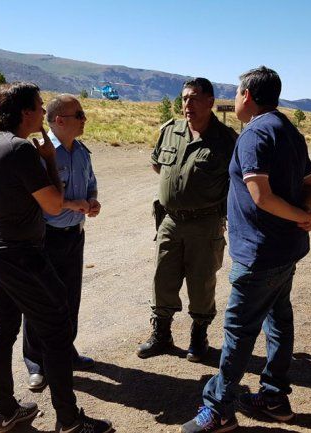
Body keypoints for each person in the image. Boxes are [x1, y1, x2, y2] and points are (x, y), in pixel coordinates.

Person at [0, 82, 112, 433]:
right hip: (20, 255)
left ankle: (7, 411)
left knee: (2, 329)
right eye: (40, 107)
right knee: (56, 327)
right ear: (26, 113)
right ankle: (69, 420)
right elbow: (54, 205)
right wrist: (49, 160)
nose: (43, 113)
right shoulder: (21, 150)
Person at [180, 67, 311, 433]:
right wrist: (304, 216)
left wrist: (302, 216)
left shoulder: (254, 134)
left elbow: (261, 196)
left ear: (247, 95)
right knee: (278, 321)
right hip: (286, 251)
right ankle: (273, 396)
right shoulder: (289, 131)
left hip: (260, 254)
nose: (234, 99)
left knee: (238, 330)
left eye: (236, 92)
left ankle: (218, 410)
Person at [137, 78, 238, 362]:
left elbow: (236, 182)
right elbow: (158, 164)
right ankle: (162, 334)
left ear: (210, 102)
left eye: (194, 98)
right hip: (170, 220)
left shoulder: (225, 139)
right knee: (163, 278)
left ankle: (198, 335)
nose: (187, 105)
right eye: (184, 99)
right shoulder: (171, 131)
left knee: (202, 281)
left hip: (205, 224)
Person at [22, 94, 100, 391]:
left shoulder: (81, 152)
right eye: (78, 114)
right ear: (59, 120)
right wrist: (72, 203)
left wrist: (91, 202)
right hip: (46, 237)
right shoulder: (42, 154)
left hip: (74, 235)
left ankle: (66, 351)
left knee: (70, 298)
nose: (84, 119)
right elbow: (39, 199)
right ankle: (37, 363)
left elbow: (91, 183)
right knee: (40, 300)